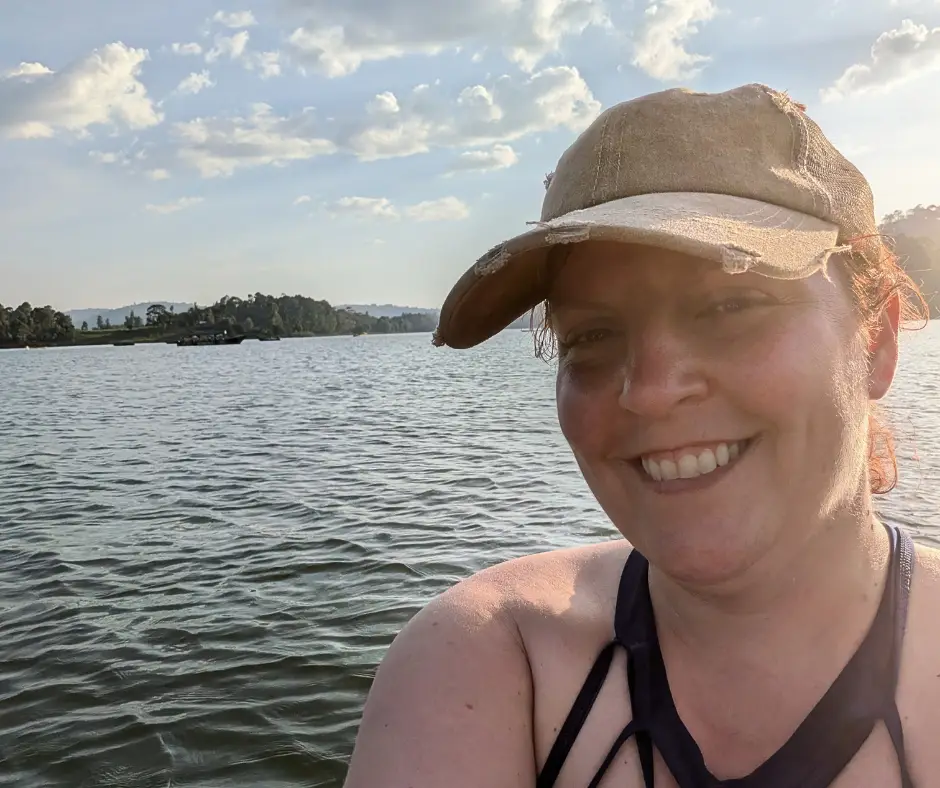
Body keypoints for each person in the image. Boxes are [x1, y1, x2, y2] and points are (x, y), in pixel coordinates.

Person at [341, 83, 940, 787]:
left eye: (730, 304)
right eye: (592, 335)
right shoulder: (492, 661)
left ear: (876, 342)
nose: (650, 391)